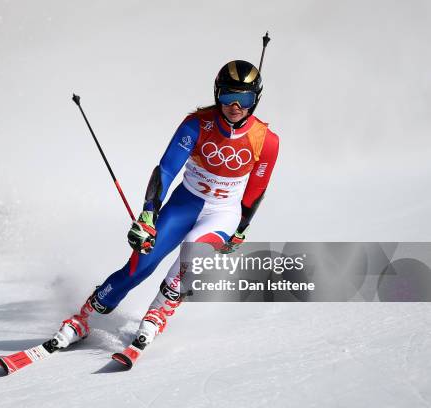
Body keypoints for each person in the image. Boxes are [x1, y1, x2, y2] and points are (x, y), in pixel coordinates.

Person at [53, 59, 280, 356]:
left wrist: (241, 228)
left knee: (192, 253)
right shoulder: (197, 124)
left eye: (245, 99)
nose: (235, 105)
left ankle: (158, 313)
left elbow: (257, 188)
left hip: (223, 212)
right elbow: (167, 169)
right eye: (227, 96)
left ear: (256, 99)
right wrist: (149, 214)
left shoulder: (267, 141)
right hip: (183, 204)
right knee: (140, 266)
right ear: (216, 93)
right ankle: (85, 317)